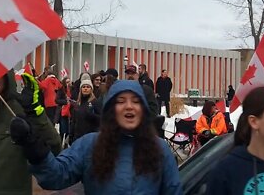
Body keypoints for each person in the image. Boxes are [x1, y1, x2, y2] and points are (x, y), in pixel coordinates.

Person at [10, 80, 182, 194]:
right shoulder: (89, 145)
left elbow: (174, 191)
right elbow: (55, 176)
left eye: (136, 101)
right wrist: (34, 149)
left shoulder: (160, 148)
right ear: (110, 110)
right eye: (121, 101)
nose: (129, 107)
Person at [69, 79, 100, 143]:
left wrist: (92, 116)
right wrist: (71, 135)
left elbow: (101, 119)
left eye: (88, 87)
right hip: (78, 137)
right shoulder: (78, 103)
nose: (85, 89)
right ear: (81, 89)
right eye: (83, 87)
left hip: (90, 138)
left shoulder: (95, 102)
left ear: (91, 89)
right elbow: (74, 121)